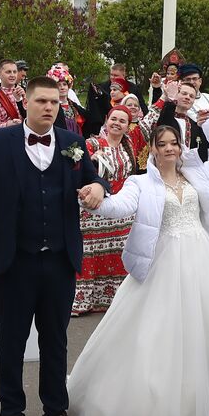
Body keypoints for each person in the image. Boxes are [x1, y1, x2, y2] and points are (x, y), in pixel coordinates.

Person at [0, 76, 109, 416]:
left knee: (56, 338)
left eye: (55, 101)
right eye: (42, 101)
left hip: (59, 258)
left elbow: (92, 179)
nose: (49, 107)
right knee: (12, 339)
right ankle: (11, 413)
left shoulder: (72, 143)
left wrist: (99, 186)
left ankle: (55, 410)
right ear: (26, 104)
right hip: (15, 259)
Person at [68, 115, 209, 416]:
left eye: (174, 143)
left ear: (181, 145)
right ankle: (160, 414)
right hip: (161, 261)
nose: (169, 149)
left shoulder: (198, 173)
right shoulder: (140, 183)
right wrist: (95, 198)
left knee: (207, 331)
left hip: (202, 258)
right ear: (153, 150)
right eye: (162, 145)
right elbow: (119, 206)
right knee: (157, 334)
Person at [71, 105, 137, 315]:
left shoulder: (129, 146)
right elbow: (74, 168)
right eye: (113, 119)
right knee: (90, 253)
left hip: (121, 213)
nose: (117, 123)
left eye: (122, 121)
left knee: (118, 254)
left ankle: (114, 301)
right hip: (94, 210)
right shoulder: (90, 144)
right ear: (106, 121)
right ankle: (83, 301)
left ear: (128, 126)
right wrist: (89, 160)